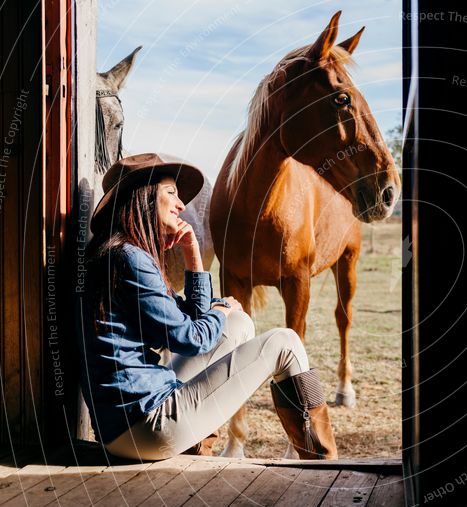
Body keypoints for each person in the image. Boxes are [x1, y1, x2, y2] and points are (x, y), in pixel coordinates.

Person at [78, 153, 337, 461]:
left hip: (124, 426)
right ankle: (323, 461)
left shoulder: (119, 252)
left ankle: (197, 448)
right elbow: (192, 338)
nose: (181, 205)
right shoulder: (130, 259)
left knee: (238, 324)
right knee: (286, 343)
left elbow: (187, 320)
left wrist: (193, 255)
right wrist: (219, 311)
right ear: (144, 198)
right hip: (146, 425)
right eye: (171, 193)